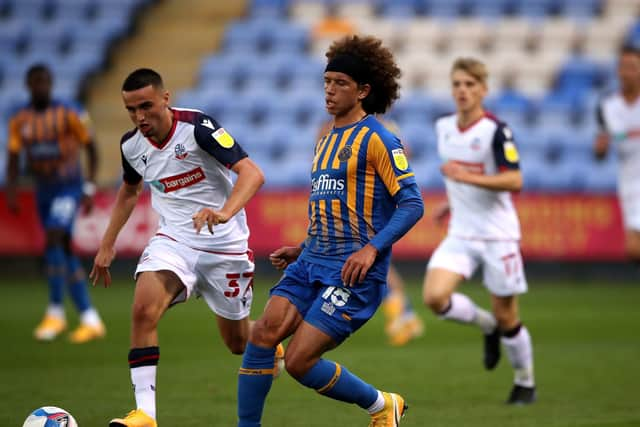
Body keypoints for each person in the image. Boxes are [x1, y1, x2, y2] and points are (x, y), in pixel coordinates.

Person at [236, 35, 424, 427]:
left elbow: (413, 204)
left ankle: (380, 406)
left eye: (340, 83)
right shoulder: (325, 139)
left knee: (301, 361)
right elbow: (334, 205)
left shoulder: (379, 139)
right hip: (311, 260)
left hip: (353, 271)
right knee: (262, 336)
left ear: (363, 90)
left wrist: (371, 249)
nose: (330, 90)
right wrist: (302, 248)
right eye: (327, 81)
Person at [90, 68, 271, 427]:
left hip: (225, 245)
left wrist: (223, 212)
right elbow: (129, 190)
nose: (140, 117)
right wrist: (107, 243)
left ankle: (269, 340)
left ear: (165, 99)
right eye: (131, 110)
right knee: (143, 309)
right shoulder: (131, 145)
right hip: (175, 239)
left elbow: (252, 173)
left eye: (146, 106)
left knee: (238, 343)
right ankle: (145, 414)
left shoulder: (198, 128)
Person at [422, 57, 536, 404]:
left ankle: (524, 382)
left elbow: (514, 179)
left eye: (470, 85)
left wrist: (467, 178)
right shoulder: (443, 127)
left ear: (483, 90)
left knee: (509, 315)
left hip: (498, 235)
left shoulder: (496, 131)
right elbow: (459, 181)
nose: (462, 90)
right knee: (434, 298)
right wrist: (452, 202)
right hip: (461, 233)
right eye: (457, 84)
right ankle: (486, 326)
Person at [5, 63, 105, 343]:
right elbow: (13, 158)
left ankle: (55, 312)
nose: (41, 87)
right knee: (62, 247)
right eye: (36, 82)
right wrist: (12, 191)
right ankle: (89, 317)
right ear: (29, 86)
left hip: (69, 188)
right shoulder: (20, 120)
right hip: (44, 191)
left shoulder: (70, 113)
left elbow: (92, 149)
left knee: (53, 237)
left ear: (51, 84)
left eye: (45, 82)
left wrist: (89, 186)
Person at [316, 117, 425, 347]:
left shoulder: (376, 129)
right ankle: (405, 315)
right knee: (382, 265)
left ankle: (402, 317)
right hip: (369, 200)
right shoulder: (382, 126)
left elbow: (403, 153)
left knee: (372, 260)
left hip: (368, 203)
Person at [594, 45, 640, 266]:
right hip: (630, 181)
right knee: (633, 251)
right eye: (622, 67)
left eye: (632, 67)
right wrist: (600, 149)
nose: (626, 72)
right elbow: (600, 151)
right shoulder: (607, 106)